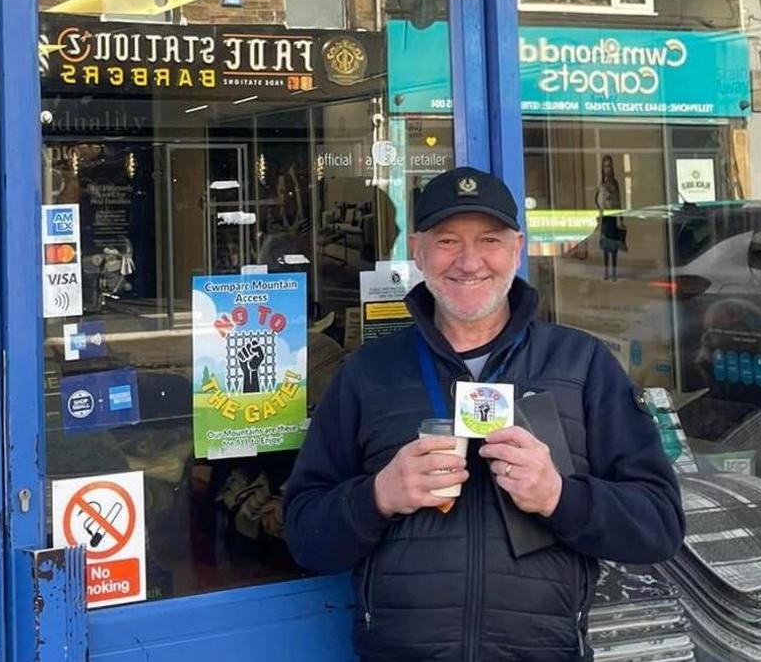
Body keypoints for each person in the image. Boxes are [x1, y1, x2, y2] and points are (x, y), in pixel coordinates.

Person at [283, 166, 684, 661]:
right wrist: (378, 496)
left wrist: (559, 496)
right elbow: (306, 536)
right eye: (448, 240)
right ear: (419, 250)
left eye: (489, 240)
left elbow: (658, 527)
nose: (469, 261)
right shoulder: (368, 374)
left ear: (517, 248)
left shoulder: (581, 365)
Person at [596, 155, 625, 281]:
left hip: (613, 217)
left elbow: (619, 201)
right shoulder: (601, 183)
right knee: (605, 247)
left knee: (614, 247)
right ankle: (606, 272)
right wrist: (600, 209)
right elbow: (596, 199)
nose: (607, 169)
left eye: (609, 166)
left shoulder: (615, 183)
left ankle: (614, 272)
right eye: (605, 166)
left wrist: (621, 219)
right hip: (605, 218)